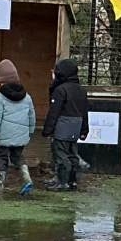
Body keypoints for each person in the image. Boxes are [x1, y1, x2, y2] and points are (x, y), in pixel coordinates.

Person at [0, 59, 35, 195]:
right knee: (18, 157)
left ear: (1, 81)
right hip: (21, 136)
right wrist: (30, 131)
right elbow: (32, 116)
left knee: (2, 157)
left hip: (4, 137)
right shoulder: (27, 97)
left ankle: (0, 186)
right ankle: (27, 179)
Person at [43, 57, 88, 191]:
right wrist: (84, 129)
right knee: (72, 153)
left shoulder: (60, 90)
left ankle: (62, 182)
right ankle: (72, 181)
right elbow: (84, 110)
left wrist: (47, 129)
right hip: (76, 126)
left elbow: (54, 112)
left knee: (60, 154)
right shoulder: (80, 90)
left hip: (63, 126)